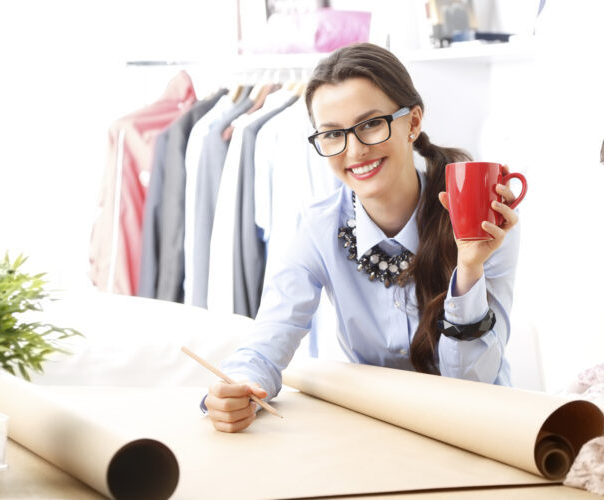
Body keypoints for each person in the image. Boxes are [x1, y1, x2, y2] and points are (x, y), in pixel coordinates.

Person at [204, 42, 521, 433]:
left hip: (480, 431)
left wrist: (469, 269)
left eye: (371, 124)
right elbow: (268, 340)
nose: (354, 151)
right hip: (379, 432)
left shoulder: (482, 222)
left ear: (413, 123)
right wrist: (237, 387)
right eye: (332, 134)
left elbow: (472, 384)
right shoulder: (319, 228)